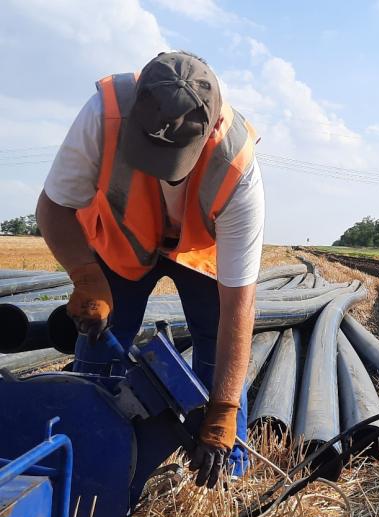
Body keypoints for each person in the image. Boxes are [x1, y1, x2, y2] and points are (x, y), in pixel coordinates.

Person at [36, 51, 265, 488]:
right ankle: (87, 458)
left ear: (209, 130)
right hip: (123, 243)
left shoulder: (238, 165)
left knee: (217, 350)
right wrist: (86, 277)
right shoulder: (103, 114)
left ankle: (226, 476)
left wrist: (222, 413)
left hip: (199, 252)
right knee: (100, 348)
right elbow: (54, 207)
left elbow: (240, 306)